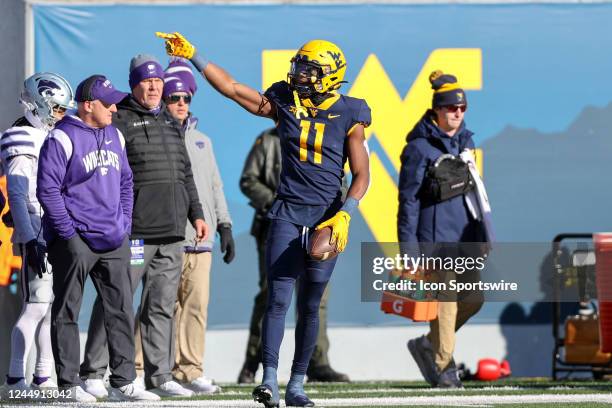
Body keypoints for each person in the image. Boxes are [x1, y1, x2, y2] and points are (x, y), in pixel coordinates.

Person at [157, 33, 370, 408]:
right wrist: (194, 54)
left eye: (308, 70)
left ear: (330, 75)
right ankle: (269, 380)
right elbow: (233, 89)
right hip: (287, 213)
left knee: (310, 304)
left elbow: (362, 174)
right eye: (299, 68)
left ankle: (298, 385)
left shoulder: (352, 111)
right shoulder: (285, 100)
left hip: (326, 219)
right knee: (277, 300)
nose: (299, 75)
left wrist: (345, 215)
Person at [79, 55, 208, 398]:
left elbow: (185, 174)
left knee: (161, 306)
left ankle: (160, 375)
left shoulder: (170, 120)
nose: (153, 86)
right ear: (134, 84)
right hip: (134, 233)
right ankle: (93, 371)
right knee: (116, 302)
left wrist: (196, 213)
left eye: (158, 81)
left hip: (172, 232)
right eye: (146, 81)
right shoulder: (118, 121)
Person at [36, 75, 159, 402]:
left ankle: (123, 381)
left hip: (114, 238)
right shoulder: (61, 138)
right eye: (108, 103)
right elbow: (47, 191)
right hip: (74, 240)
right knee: (67, 312)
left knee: (120, 308)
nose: (114, 108)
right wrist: (68, 234)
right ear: (88, 105)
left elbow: (125, 183)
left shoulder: (115, 135)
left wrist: (124, 225)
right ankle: (68, 385)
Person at [237, 127, 349, 384]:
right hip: (276, 227)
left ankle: (317, 362)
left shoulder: (326, 136)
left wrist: (336, 212)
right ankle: (253, 363)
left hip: (319, 229)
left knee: (316, 298)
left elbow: (340, 182)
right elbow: (249, 180)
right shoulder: (267, 140)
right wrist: (280, 204)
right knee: (271, 295)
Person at [397, 71, 486, 388]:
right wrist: (409, 253)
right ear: (437, 109)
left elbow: (476, 194)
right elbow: (407, 202)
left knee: (474, 300)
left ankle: (426, 345)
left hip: (465, 237)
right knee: (445, 303)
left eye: (462, 108)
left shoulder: (467, 143)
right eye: (450, 108)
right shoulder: (419, 149)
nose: (457, 114)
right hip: (433, 241)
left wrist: (483, 235)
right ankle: (444, 365)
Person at [158, 58, 234, 393]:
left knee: (196, 307)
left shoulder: (203, 140)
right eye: (173, 98)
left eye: (185, 98)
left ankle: (189, 369)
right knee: (157, 307)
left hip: (201, 241)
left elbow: (215, 186)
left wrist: (226, 226)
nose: (179, 104)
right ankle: (140, 367)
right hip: (167, 237)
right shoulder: (155, 135)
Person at [0, 72, 73, 393]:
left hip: (51, 227)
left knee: (50, 305)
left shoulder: (45, 136)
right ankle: (16, 376)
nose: (60, 115)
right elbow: (17, 193)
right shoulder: (20, 136)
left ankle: (43, 375)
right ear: (39, 104)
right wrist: (30, 237)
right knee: (37, 304)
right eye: (56, 108)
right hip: (35, 229)